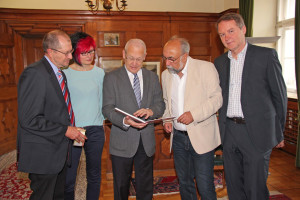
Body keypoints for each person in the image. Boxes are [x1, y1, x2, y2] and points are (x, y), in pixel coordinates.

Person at [214, 13, 287, 200]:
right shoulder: (220, 63)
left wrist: (279, 132)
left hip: (257, 132)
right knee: (234, 186)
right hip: (229, 132)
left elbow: (279, 97)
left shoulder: (266, 56)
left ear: (243, 29)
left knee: (255, 188)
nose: (227, 37)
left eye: (231, 31)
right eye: (222, 34)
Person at [17, 30, 87, 200]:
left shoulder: (59, 73)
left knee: (58, 195)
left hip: (59, 151)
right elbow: (29, 119)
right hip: (43, 154)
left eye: (71, 51)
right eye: (67, 52)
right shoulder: (35, 73)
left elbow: (57, 110)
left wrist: (71, 127)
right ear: (50, 51)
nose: (70, 57)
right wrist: (65, 130)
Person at [102, 38, 165, 200]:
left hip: (146, 141)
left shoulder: (152, 77)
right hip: (122, 140)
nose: (134, 63)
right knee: (121, 186)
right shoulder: (111, 78)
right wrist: (125, 121)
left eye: (138, 59)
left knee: (145, 186)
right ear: (123, 55)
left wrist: (151, 111)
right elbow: (107, 108)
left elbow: (160, 104)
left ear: (145, 56)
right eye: (131, 58)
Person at [161, 37, 222, 200]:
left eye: (171, 59)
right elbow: (168, 103)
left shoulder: (205, 68)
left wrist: (194, 114)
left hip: (201, 138)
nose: (167, 63)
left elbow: (217, 99)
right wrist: (167, 119)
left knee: (204, 185)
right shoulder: (165, 75)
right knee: (185, 183)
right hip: (179, 139)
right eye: (165, 58)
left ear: (185, 56)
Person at [63, 32, 105, 200]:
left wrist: (102, 124)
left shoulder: (99, 73)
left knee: (94, 176)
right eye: (84, 52)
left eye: (92, 51)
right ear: (75, 53)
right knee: (69, 178)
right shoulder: (65, 73)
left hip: (95, 130)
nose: (89, 55)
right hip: (74, 129)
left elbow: (102, 100)